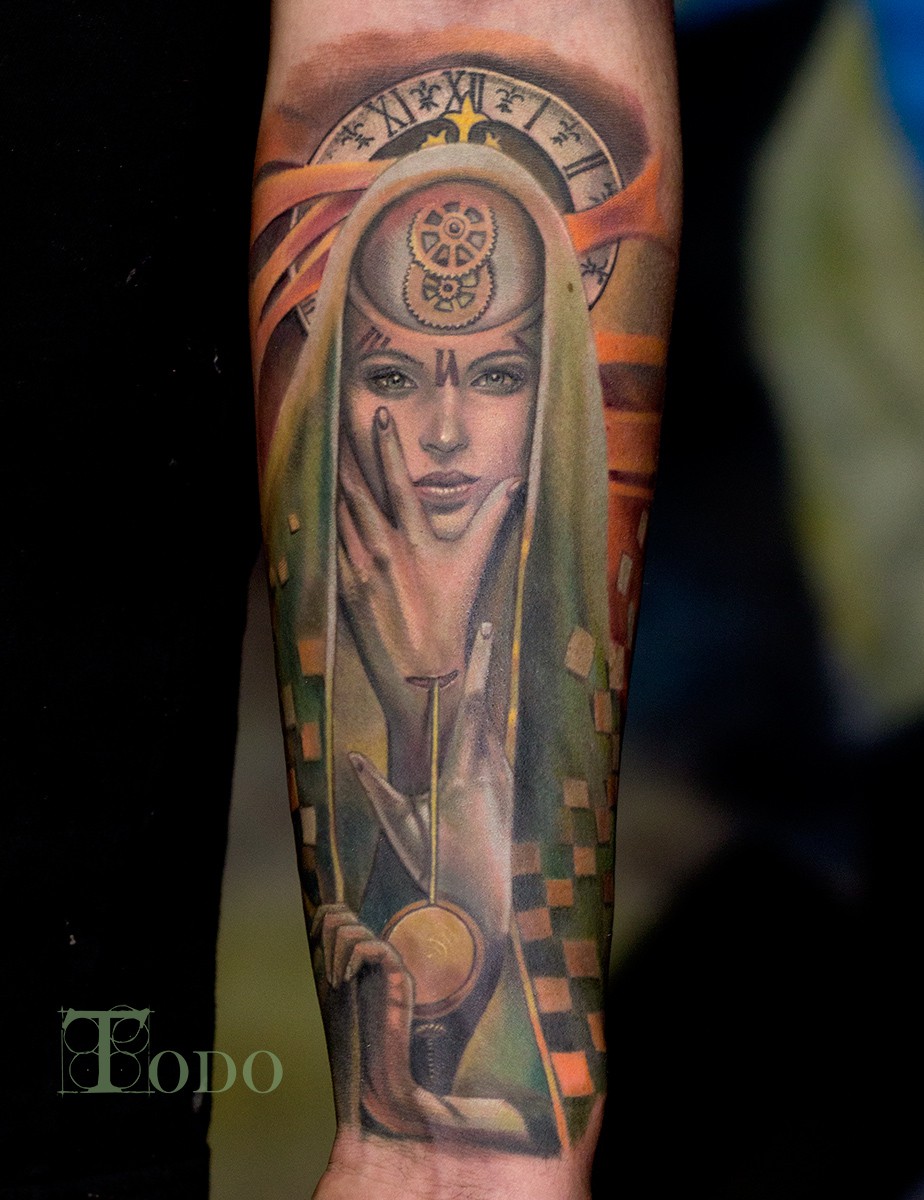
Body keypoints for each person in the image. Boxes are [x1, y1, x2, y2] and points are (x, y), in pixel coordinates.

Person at [261, 144, 613, 1152]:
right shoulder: (336, 630)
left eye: (499, 375)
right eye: (391, 376)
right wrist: (423, 714)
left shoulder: (573, 645)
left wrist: (440, 691)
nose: (446, 431)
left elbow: (530, 1082)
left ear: (552, 392)